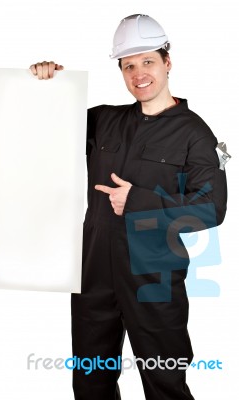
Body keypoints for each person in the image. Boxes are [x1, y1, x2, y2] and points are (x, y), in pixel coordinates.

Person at [29, 14, 227, 400]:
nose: (139, 74)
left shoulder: (195, 133)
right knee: (90, 381)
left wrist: (137, 201)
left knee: (164, 383)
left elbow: (211, 207)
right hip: (93, 276)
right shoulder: (104, 120)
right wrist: (45, 83)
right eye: (128, 65)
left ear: (168, 62)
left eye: (148, 61)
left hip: (155, 282)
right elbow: (44, 126)